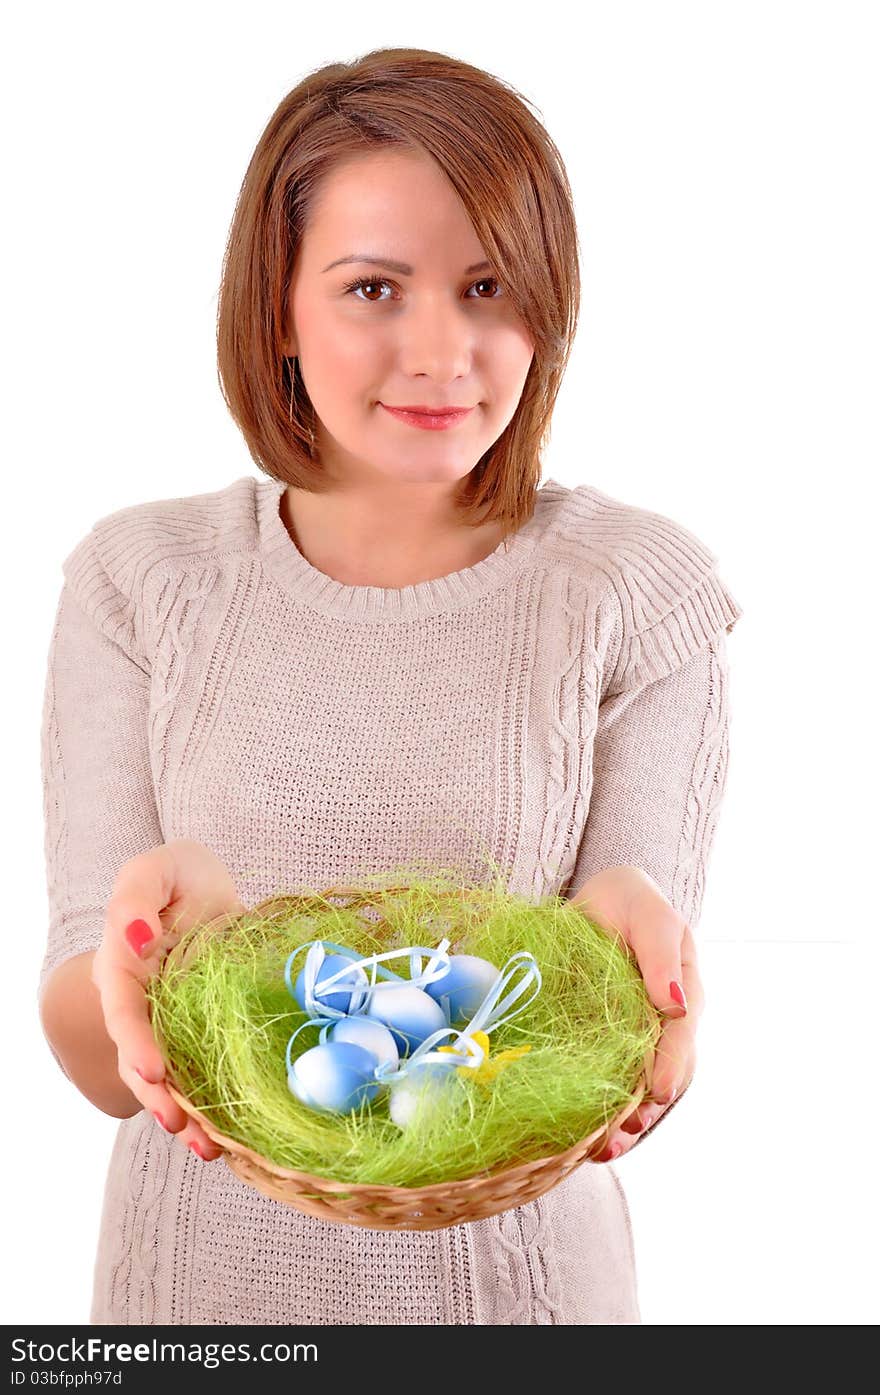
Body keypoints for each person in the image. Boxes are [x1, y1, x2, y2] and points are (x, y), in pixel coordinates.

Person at [36, 47, 743, 1325]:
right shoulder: (141, 578)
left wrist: (626, 938)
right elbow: (93, 1066)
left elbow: (601, 1046)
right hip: (198, 1311)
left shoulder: (638, 588)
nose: (444, 351)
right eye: (374, 287)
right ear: (276, 312)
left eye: (488, 287)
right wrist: (136, 969)